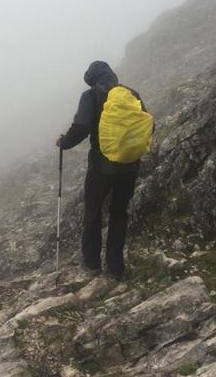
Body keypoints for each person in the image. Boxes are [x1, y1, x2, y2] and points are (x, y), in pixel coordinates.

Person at [56, 61, 149, 280]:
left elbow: (81, 126)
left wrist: (64, 142)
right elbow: (147, 124)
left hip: (102, 166)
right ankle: (116, 267)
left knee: (93, 213)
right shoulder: (131, 93)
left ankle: (92, 264)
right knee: (119, 213)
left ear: (92, 78)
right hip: (129, 164)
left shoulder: (91, 96)